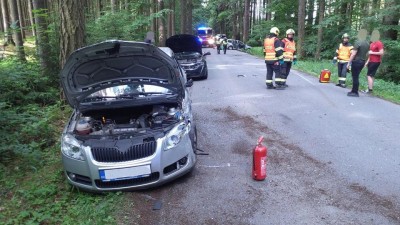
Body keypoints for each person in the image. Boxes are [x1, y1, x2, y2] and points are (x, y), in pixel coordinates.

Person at [346, 29, 369, 97]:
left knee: (355, 77)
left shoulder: (358, 42)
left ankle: (355, 92)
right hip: (362, 61)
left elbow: (353, 54)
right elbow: (367, 54)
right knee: (356, 76)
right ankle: (353, 90)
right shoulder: (367, 43)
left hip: (356, 61)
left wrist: (349, 63)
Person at [363, 29, 384, 93]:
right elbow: (370, 54)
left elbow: (381, 53)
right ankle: (370, 88)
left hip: (376, 61)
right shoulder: (372, 43)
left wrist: (372, 53)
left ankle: (370, 90)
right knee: (371, 75)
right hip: (371, 61)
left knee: (369, 75)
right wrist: (367, 62)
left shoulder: (379, 43)